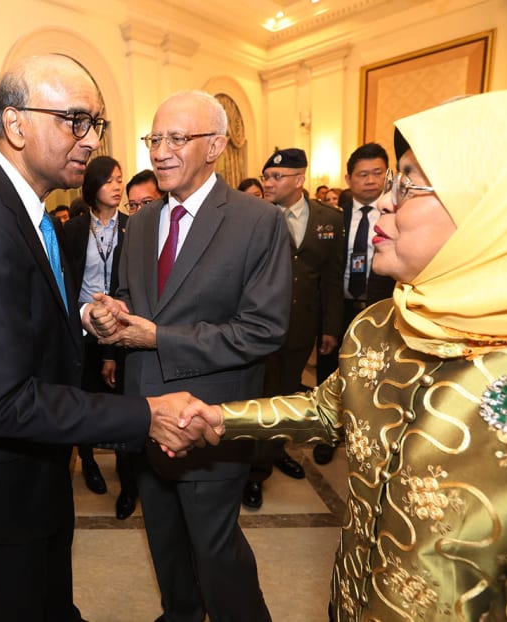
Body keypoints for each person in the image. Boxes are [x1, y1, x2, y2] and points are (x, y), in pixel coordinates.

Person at [181, 87, 507, 621]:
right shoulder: (379, 324)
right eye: (393, 180)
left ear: (494, 210)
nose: (388, 201)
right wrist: (216, 417)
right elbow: (326, 409)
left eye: (410, 183)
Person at [0, 54, 221, 622]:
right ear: (15, 125)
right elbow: (6, 401)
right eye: (74, 121)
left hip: (35, 463)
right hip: (3, 485)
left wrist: (84, 316)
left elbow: (19, 318)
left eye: (97, 124)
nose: (89, 140)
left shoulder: (26, 211)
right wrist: (145, 415)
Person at [90, 90, 292, 622]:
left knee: (216, 553)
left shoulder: (257, 221)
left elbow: (263, 330)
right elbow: (136, 302)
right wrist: (112, 316)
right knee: (165, 547)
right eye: (155, 138)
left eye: (177, 138)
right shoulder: (141, 222)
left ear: (216, 146)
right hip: (144, 415)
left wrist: (160, 338)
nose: (160, 151)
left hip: (209, 418)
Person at [242, 148, 345, 509]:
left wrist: (329, 328)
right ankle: (255, 472)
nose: (268, 183)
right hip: (260, 327)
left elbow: (331, 280)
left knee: (286, 396)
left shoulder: (328, 219)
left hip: (301, 328)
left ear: (299, 179)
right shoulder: (254, 217)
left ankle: (274, 452)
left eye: (276, 177)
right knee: (260, 398)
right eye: (266, 176)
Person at [64, 155, 138, 519]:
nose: (117, 186)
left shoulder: (133, 227)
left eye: (119, 179)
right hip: (81, 327)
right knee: (85, 399)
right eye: (109, 180)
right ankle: (89, 461)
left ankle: (129, 482)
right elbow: (64, 283)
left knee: (122, 403)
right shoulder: (74, 230)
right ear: (92, 186)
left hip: (123, 326)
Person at [313, 142, 395, 466]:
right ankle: (327, 434)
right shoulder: (332, 216)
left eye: (377, 173)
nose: (370, 180)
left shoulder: (396, 213)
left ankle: (369, 440)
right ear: (349, 178)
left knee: (374, 375)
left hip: (380, 306)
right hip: (339, 307)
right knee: (330, 372)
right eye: (363, 174)